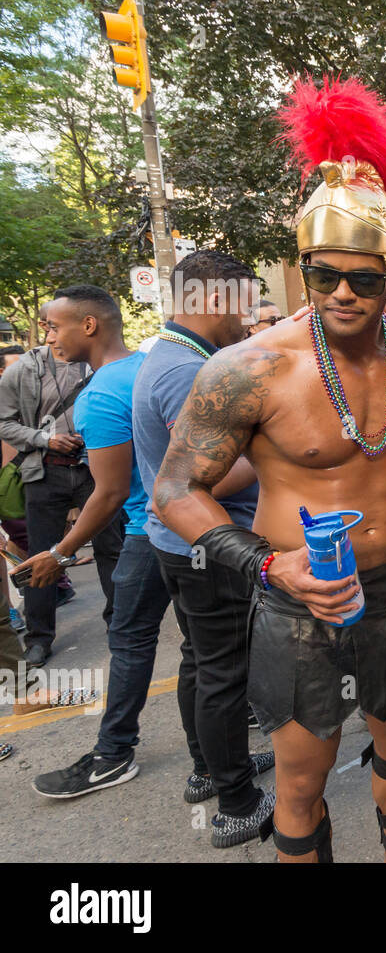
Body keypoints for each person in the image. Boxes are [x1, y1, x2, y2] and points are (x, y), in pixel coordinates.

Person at [154, 77, 386, 863]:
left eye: (365, 278)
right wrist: (270, 566)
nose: (343, 293)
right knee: (301, 778)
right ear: (304, 269)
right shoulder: (251, 368)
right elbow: (173, 489)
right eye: (324, 275)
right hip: (295, 602)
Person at [132, 250, 276, 846]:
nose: (252, 316)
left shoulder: (175, 358)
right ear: (215, 299)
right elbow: (201, 476)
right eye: (246, 301)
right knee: (223, 671)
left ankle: (210, 770)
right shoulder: (185, 372)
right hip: (205, 542)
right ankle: (237, 804)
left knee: (201, 661)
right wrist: (273, 446)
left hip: (179, 541)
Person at [22, 285, 166, 799]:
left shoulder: (102, 392)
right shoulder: (152, 367)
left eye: (53, 325)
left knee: (129, 639)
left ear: (88, 326)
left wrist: (59, 553)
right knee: (207, 645)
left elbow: (108, 493)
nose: (48, 336)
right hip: (194, 527)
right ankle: (228, 734)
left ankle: (112, 755)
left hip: (149, 534)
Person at [0, 306, 118, 668]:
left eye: (57, 326)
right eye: (48, 327)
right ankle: (39, 637)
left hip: (92, 469)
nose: (52, 335)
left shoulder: (98, 363)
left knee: (112, 547)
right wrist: (44, 439)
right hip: (45, 472)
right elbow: (4, 423)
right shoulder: (24, 369)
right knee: (43, 553)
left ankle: (120, 625)